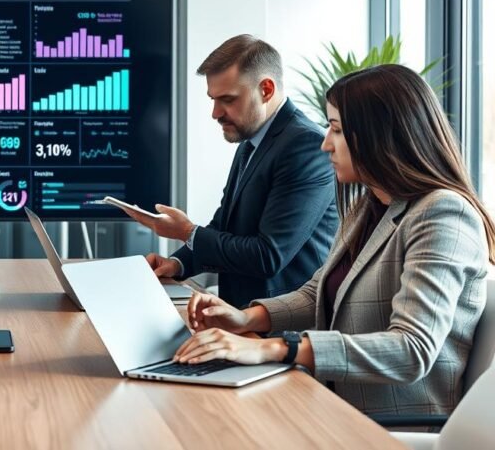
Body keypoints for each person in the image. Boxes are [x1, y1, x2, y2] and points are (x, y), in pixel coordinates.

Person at [173, 64, 493, 418]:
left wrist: (279, 349)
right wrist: (245, 319)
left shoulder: (443, 214)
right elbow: (317, 295)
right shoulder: (370, 207)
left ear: (381, 136)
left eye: (336, 130)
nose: (325, 143)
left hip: (386, 425)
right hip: (328, 402)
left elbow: (411, 349)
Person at [125, 35, 338, 306]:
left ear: (266, 90)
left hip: (282, 327)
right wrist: (177, 264)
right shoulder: (252, 138)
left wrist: (188, 232)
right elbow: (225, 226)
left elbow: (267, 255)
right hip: (241, 317)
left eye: (227, 99)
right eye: (213, 99)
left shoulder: (305, 146)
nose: (215, 112)